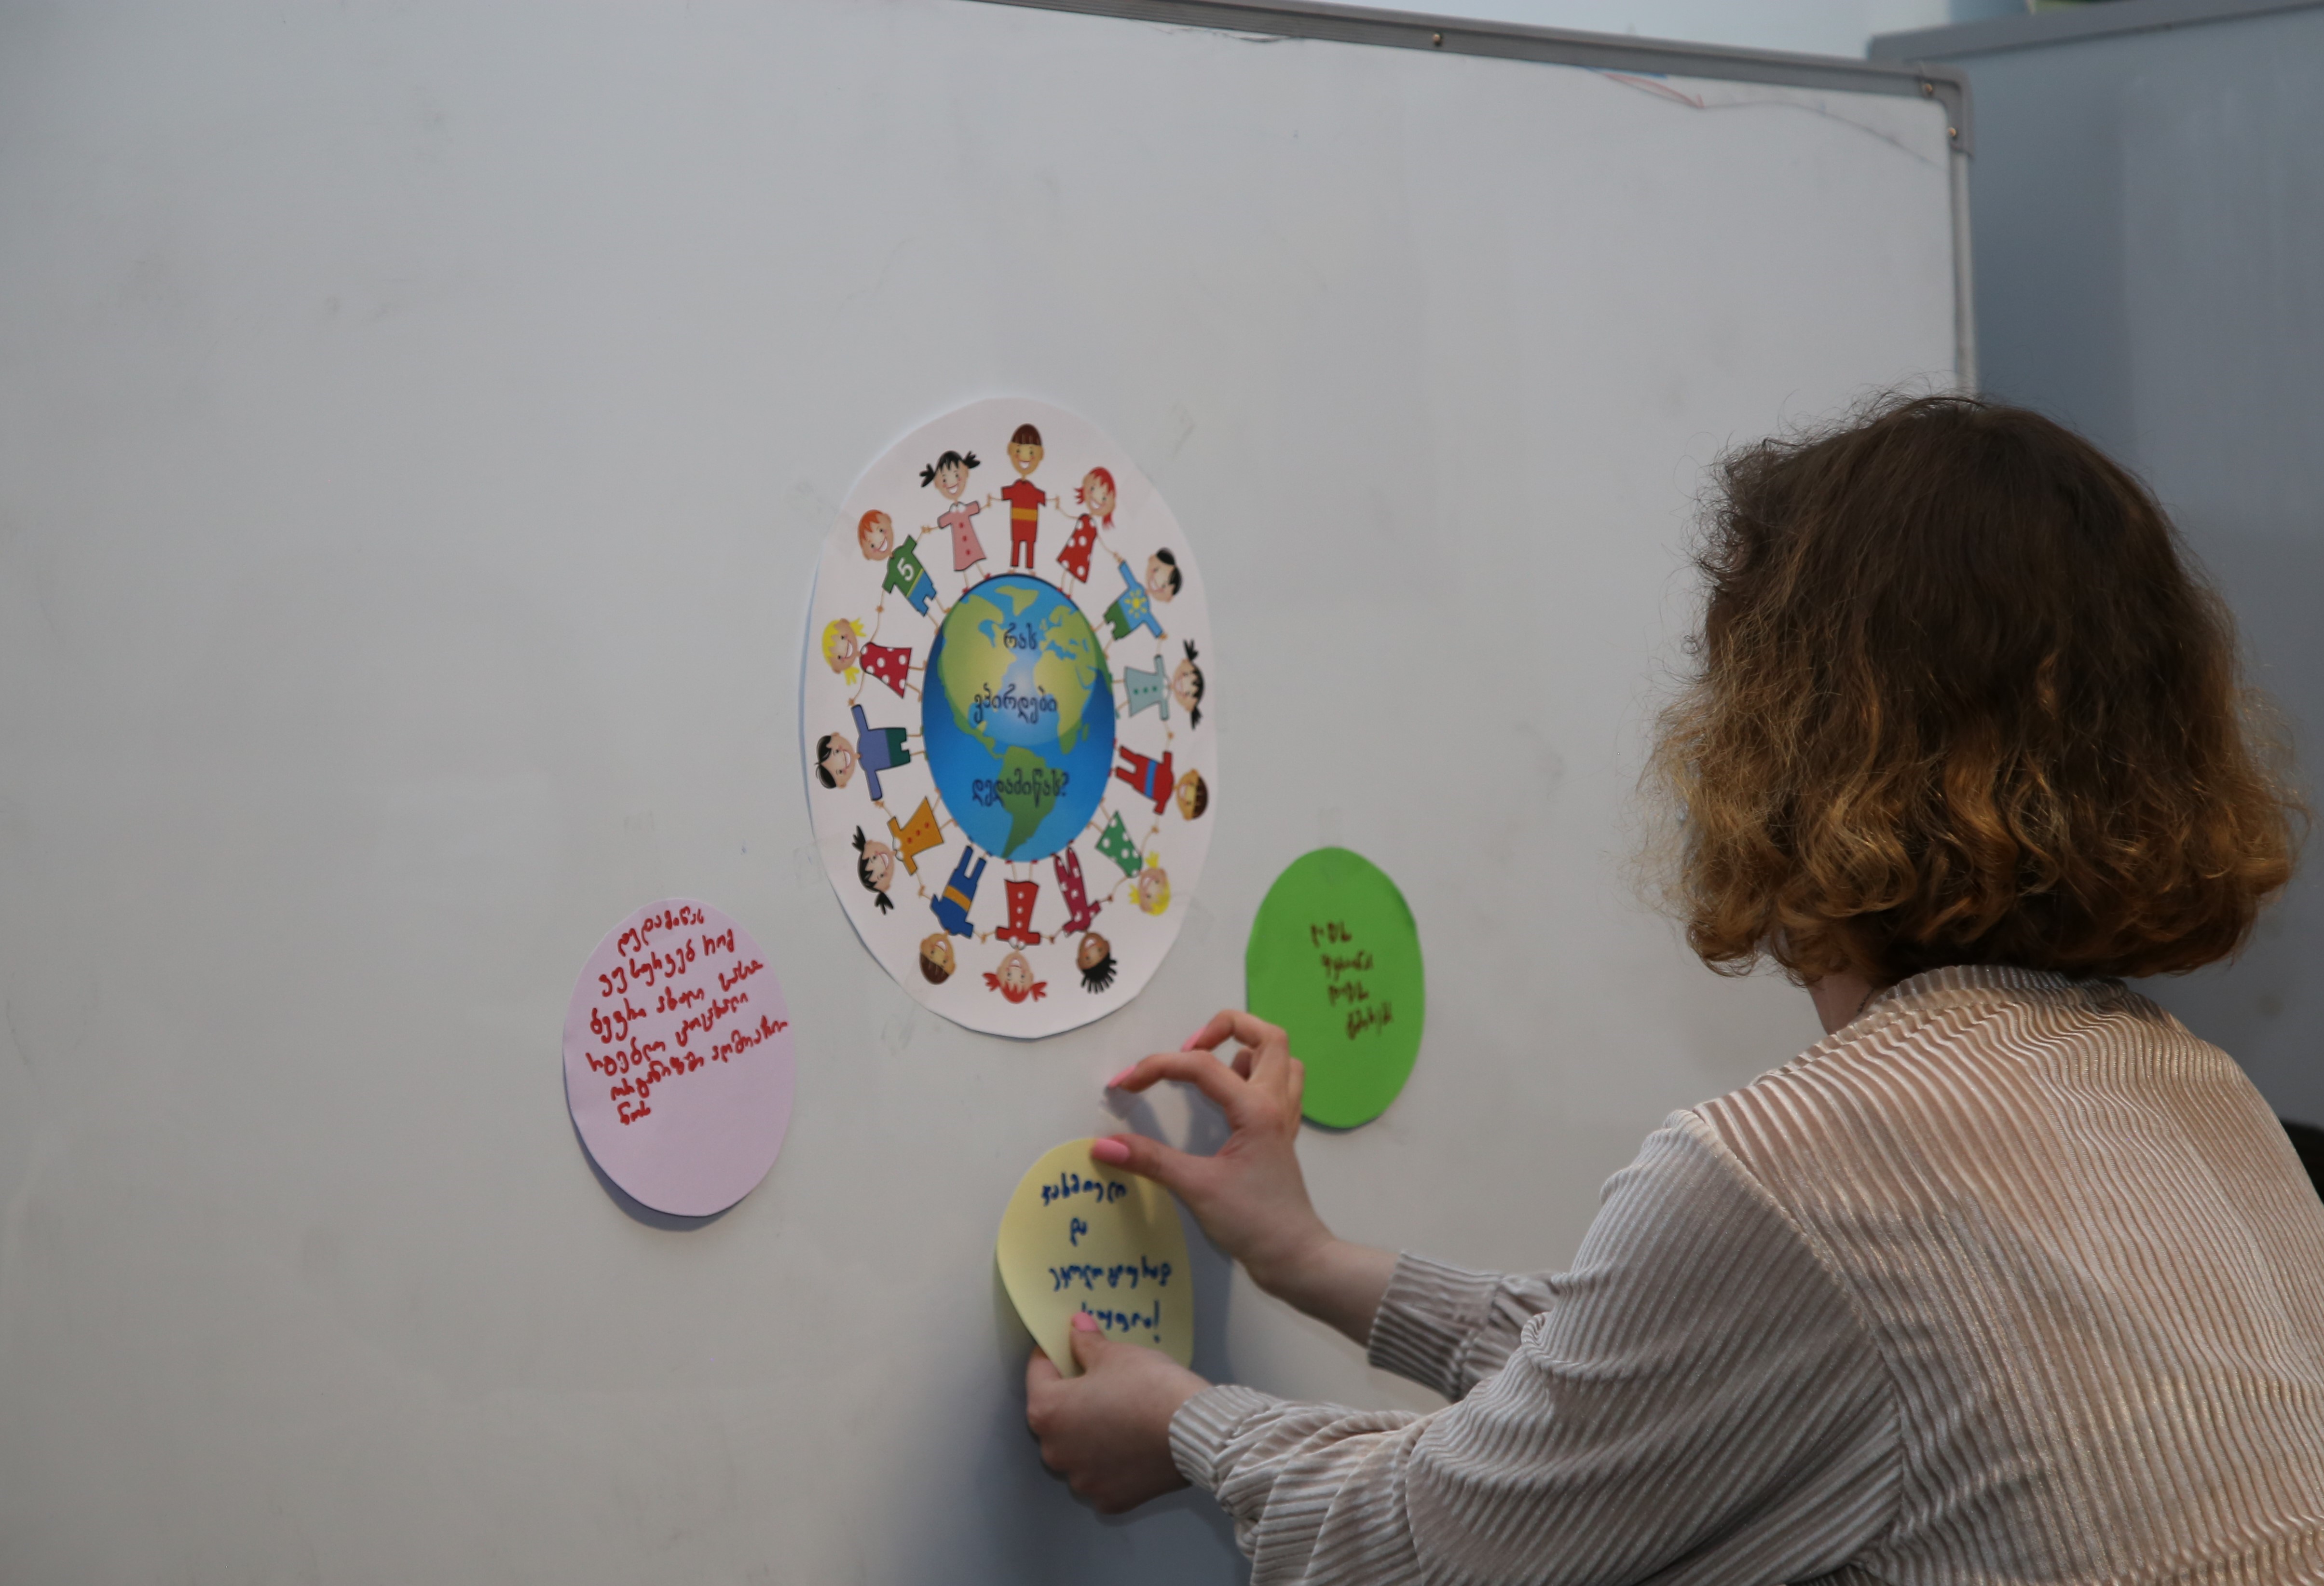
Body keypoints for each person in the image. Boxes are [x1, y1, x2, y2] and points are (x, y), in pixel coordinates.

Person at [1025, 396, 2323, 1581]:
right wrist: (1311, 1260)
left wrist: (1189, 1426)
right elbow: (1679, 1376)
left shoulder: (1805, 1162)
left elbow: (1435, 1546)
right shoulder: (2199, 1095)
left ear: (1786, 735)